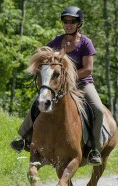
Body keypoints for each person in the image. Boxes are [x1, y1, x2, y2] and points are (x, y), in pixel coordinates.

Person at [10, 6, 105, 166]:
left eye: (72, 21)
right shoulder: (56, 42)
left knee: (98, 110)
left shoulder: (85, 43)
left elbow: (88, 68)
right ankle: (24, 138)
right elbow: (46, 59)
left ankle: (94, 148)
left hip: (82, 84)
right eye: (65, 21)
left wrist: (69, 76)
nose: (68, 24)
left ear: (79, 23)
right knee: (37, 103)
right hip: (58, 85)